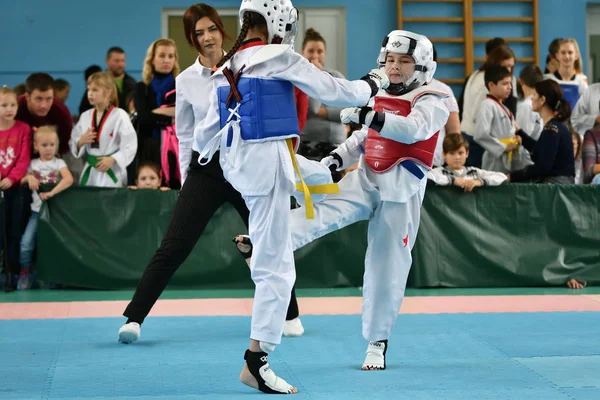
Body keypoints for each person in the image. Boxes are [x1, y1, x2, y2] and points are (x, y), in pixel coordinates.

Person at [195, 0, 388, 393]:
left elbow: (203, 136)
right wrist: (374, 81)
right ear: (280, 22)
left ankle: (329, 171)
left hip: (245, 164)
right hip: (267, 167)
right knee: (277, 271)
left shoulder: (228, 64)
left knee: (312, 180)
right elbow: (337, 92)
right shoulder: (279, 56)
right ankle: (256, 360)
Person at [234, 29, 446, 376]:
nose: (394, 68)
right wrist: (335, 159)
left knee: (386, 265)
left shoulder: (435, 97)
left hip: (402, 192)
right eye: (390, 61)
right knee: (320, 210)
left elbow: (413, 129)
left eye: (404, 62)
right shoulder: (380, 94)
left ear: (421, 66)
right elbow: (365, 137)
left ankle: (378, 341)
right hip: (366, 177)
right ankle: (266, 242)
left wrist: (368, 117)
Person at [118, 3, 310, 348]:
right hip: (207, 172)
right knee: (174, 245)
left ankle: (290, 314)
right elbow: (187, 134)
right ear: (192, 40)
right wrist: (185, 179)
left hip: (250, 167)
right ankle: (135, 318)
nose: (206, 37)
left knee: (274, 240)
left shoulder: (247, 61)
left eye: (211, 30)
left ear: (223, 30)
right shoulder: (185, 80)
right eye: (198, 33)